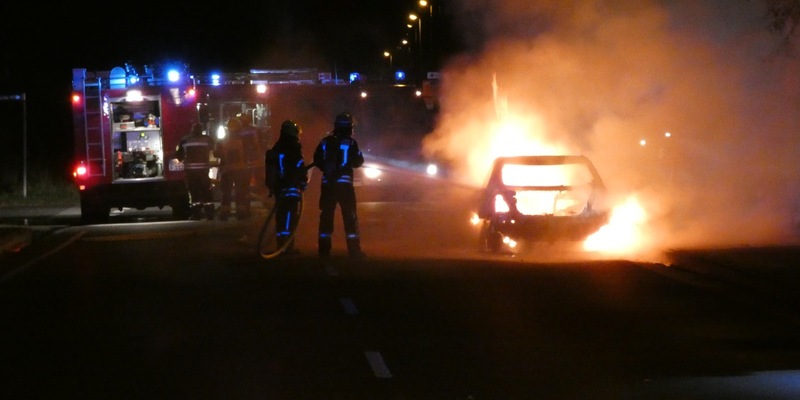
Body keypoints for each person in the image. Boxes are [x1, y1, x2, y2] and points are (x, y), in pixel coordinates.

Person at [313, 112, 366, 259]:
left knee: (326, 216)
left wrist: (327, 168)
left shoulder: (325, 142)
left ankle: (324, 251)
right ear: (349, 127)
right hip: (344, 187)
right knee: (350, 217)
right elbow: (358, 162)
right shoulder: (351, 143)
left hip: (328, 185)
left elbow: (316, 159)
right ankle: (354, 251)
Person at [265, 120, 309, 254]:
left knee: (281, 216)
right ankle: (287, 247)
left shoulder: (276, 149)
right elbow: (300, 167)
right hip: (291, 188)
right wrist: (303, 183)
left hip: (279, 189)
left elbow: (271, 170)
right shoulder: (294, 149)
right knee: (290, 217)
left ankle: (281, 244)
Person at [216, 115, 260, 220]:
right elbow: (250, 152)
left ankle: (224, 214)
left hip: (227, 170)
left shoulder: (222, 140)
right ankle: (241, 214)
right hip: (241, 169)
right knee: (241, 192)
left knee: (226, 193)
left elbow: (216, 153)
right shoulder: (244, 140)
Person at [176, 122, 215, 220]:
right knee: (206, 191)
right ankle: (209, 214)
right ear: (201, 129)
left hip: (191, 171)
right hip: (203, 170)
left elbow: (179, 155)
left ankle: (196, 214)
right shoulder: (208, 139)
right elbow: (214, 151)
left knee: (194, 192)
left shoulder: (185, 140)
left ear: (192, 129)